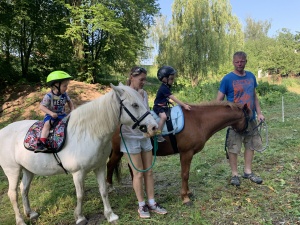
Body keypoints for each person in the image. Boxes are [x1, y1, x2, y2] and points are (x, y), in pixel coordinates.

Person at [120, 66, 167, 218]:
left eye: (145, 79)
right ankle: (142, 205)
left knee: (149, 171)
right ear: (132, 77)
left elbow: (146, 113)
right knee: (138, 173)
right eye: (141, 79)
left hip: (145, 137)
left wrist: (152, 128)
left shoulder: (144, 94)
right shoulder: (123, 94)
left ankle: (152, 202)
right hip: (130, 138)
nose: (143, 82)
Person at [216, 51, 265, 186]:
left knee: (250, 144)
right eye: (237, 61)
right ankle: (234, 174)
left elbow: (254, 96)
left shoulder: (251, 76)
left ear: (246, 61)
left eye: (242, 61)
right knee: (233, 147)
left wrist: (259, 113)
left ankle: (248, 172)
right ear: (233, 62)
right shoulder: (227, 79)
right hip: (235, 121)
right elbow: (218, 100)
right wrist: (226, 117)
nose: (239, 64)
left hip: (250, 119)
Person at [35, 70, 74, 153]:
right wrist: (51, 113)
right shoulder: (49, 96)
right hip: (51, 115)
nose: (66, 88)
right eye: (64, 86)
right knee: (47, 124)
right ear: (56, 86)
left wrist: (72, 110)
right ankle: (42, 143)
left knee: (71, 123)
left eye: (66, 85)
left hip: (62, 115)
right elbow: (41, 106)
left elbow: (69, 102)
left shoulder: (65, 94)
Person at [153, 66, 191, 142]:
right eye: (171, 79)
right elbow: (173, 97)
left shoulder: (166, 87)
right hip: (158, 107)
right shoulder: (163, 88)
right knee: (163, 117)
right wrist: (184, 105)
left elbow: (163, 97)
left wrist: (168, 101)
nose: (173, 81)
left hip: (163, 105)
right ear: (164, 79)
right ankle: (158, 134)